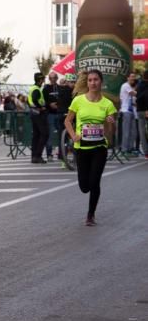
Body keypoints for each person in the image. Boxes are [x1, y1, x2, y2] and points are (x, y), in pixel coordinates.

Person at [64, 69, 116, 226]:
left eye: (96, 80)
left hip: (99, 147)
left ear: (101, 82)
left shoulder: (108, 104)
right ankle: (90, 208)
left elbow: (109, 134)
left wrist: (110, 124)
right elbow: (67, 121)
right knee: (84, 186)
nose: (93, 82)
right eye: (90, 80)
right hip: (82, 148)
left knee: (95, 182)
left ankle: (90, 214)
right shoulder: (78, 101)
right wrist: (73, 136)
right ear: (87, 83)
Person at [27, 72, 49, 163]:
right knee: (44, 134)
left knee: (36, 135)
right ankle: (38, 155)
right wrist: (40, 107)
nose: (43, 81)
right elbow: (35, 100)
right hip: (39, 114)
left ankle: (34, 157)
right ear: (40, 80)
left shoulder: (32, 88)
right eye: (43, 79)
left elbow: (29, 101)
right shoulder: (36, 89)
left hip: (34, 114)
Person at [119, 72, 138, 156]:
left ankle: (130, 149)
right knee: (126, 131)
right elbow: (133, 93)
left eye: (134, 77)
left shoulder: (130, 87)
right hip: (126, 110)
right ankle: (124, 150)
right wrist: (141, 89)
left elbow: (134, 99)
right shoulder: (125, 85)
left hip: (132, 111)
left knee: (133, 132)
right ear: (127, 78)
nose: (133, 78)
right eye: (132, 76)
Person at [43, 72, 60, 160]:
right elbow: (43, 100)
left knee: (61, 133)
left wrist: (58, 104)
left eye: (54, 78)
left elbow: (63, 98)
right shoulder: (46, 88)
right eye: (51, 78)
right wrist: (49, 104)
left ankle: (61, 153)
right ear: (49, 79)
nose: (53, 79)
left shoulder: (60, 87)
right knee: (49, 134)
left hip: (59, 113)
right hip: (50, 114)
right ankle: (49, 154)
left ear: (57, 78)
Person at [135, 69, 148, 159]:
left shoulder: (138, 85)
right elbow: (146, 97)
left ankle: (146, 152)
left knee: (142, 132)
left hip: (139, 111)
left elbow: (137, 97)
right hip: (146, 110)